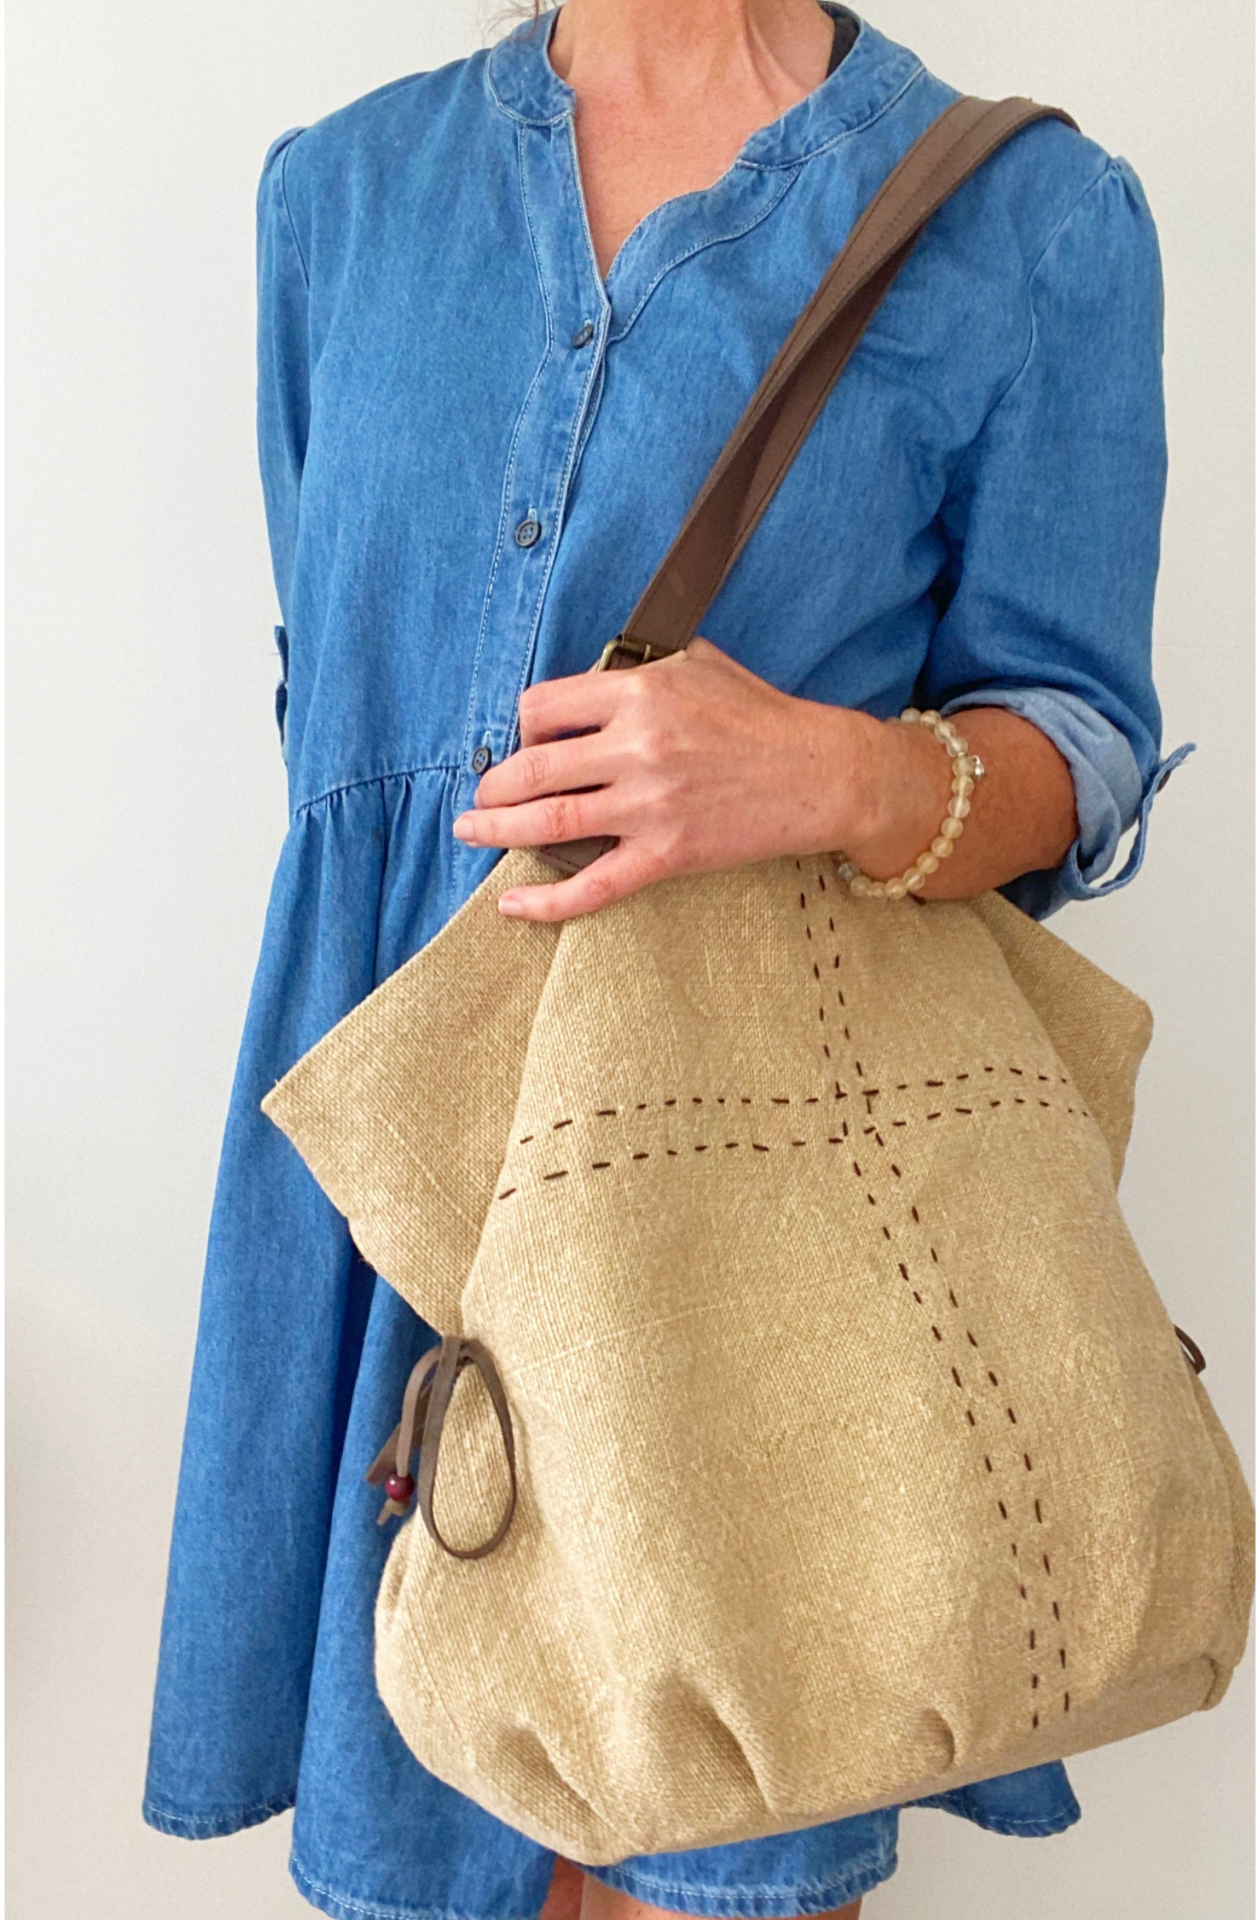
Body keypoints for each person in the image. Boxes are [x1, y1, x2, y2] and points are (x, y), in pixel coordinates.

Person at [144, 4, 1189, 1917]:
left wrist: (843, 771)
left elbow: (1084, 746)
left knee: (694, 1870)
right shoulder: (340, 196)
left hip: (729, 1232)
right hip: (397, 1169)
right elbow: (342, 727)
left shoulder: (1029, 214)